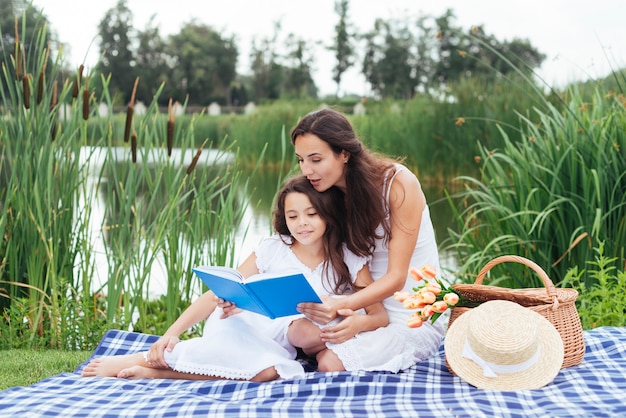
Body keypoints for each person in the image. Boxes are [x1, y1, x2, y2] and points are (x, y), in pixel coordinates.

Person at [81, 175, 387, 381]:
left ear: (328, 214)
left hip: (290, 338)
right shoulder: (273, 248)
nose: (302, 224)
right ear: (284, 218)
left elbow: (379, 315)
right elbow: (218, 293)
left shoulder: (348, 256)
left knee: (271, 372)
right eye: (293, 216)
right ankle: (142, 359)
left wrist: (353, 320)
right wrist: (170, 332)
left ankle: (156, 373)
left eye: (311, 214)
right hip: (249, 320)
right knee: (226, 343)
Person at [289, 108, 445, 373]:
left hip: (409, 313)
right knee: (301, 337)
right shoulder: (327, 193)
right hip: (364, 306)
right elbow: (293, 243)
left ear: (344, 153)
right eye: (301, 160)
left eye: (315, 159)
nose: (307, 170)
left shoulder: (397, 184)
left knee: (328, 363)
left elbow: (397, 278)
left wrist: (342, 305)